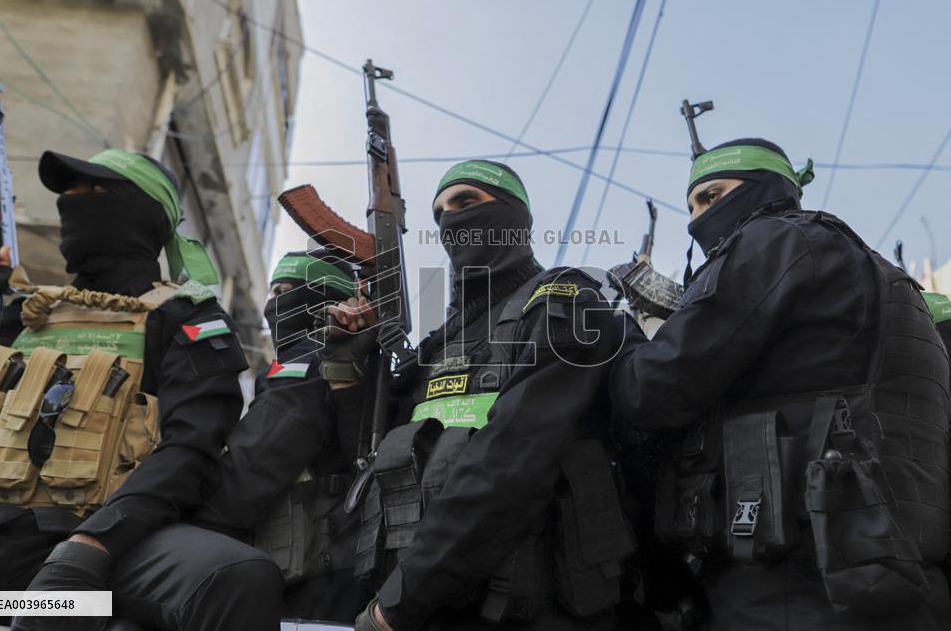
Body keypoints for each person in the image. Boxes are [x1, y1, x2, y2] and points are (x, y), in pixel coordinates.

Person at [608, 138, 951, 629]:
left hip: (794, 586)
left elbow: (651, 390)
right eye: (691, 206)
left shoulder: (777, 240)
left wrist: (617, 334)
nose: (697, 219)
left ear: (765, 187)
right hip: (888, 574)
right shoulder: (881, 276)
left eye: (712, 196)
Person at [0, 148, 281, 630]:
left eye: (94, 190)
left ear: (144, 212)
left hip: (95, 550)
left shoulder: (185, 316)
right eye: (68, 192)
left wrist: (91, 546)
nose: (72, 201)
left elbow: (191, 447)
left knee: (235, 576)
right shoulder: (25, 314)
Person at [321, 160, 637, 630]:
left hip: (529, 609)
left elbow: (511, 461)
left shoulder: (564, 301)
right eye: (440, 213)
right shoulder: (440, 343)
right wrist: (347, 372)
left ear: (513, 215)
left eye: (466, 201)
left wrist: (399, 603)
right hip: (425, 602)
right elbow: (373, 466)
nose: (451, 220)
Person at [191, 248, 372, 622]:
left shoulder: (308, 363)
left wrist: (172, 512)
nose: (274, 305)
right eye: (273, 292)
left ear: (324, 300)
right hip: (316, 572)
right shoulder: (319, 364)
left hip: (309, 581)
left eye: (287, 292)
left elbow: (249, 471)